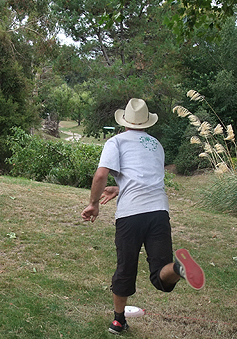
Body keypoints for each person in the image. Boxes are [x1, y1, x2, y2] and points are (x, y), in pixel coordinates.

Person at [81, 98, 205, 335]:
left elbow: (100, 175)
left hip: (131, 215)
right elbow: (144, 178)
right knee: (161, 275)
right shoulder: (156, 145)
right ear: (147, 123)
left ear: (124, 121)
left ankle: (118, 321)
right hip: (159, 212)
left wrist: (93, 204)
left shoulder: (116, 141)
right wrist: (119, 188)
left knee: (125, 268)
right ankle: (179, 268)